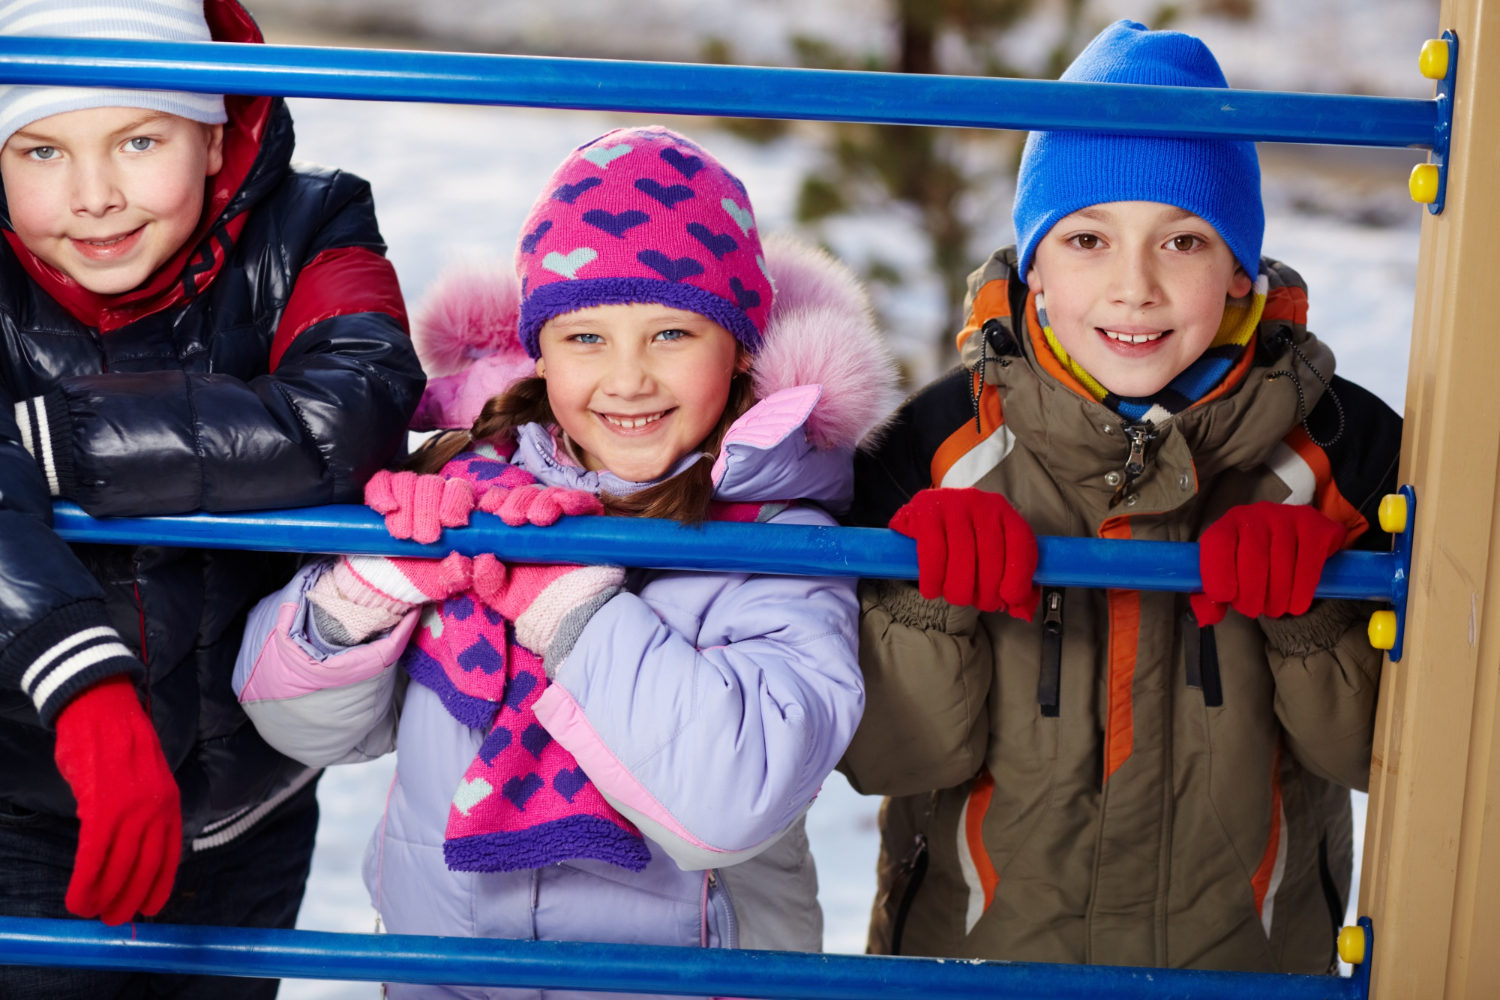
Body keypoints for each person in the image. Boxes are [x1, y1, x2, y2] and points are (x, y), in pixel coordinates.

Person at [232, 125, 894, 997]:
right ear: (537, 351)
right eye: (586, 338)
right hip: (449, 977)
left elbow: (733, 801)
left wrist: (569, 606)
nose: (627, 379)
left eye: (671, 333)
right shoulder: (473, 488)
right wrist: (371, 589)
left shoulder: (778, 538)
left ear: (740, 346)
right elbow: (300, 727)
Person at [841, 21, 1401, 974]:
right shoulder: (937, 447)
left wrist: (1315, 616)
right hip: (981, 973)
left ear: (1240, 269)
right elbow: (882, 761)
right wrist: (923, 604)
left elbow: (1388, 763)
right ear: (1035, 267)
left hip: (1246, 977)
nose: (1134, 287)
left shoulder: (1342, 452)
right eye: (1087, 238)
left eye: (1182, 240)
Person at [0, 0, 423, 995]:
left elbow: (353, 410)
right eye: (42, 150)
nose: (95, 197)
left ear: (217, 137)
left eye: (139, 140)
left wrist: (52, 445)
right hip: (24, 796)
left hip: (250, 807)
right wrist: (84, 689)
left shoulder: (312, 224)